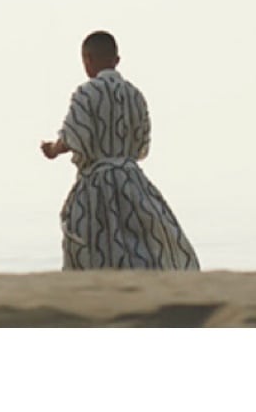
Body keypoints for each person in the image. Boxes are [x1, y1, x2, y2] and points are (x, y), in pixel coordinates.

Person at [40, 30, 201, 271]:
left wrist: (52, 149)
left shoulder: (86, 93)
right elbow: (142, 145)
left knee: (95, 241)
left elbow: (73, 137)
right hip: (132, 181)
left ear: (87, 59)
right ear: (116, 60)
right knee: (142, 237)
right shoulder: (135, 95)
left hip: (96, 184)